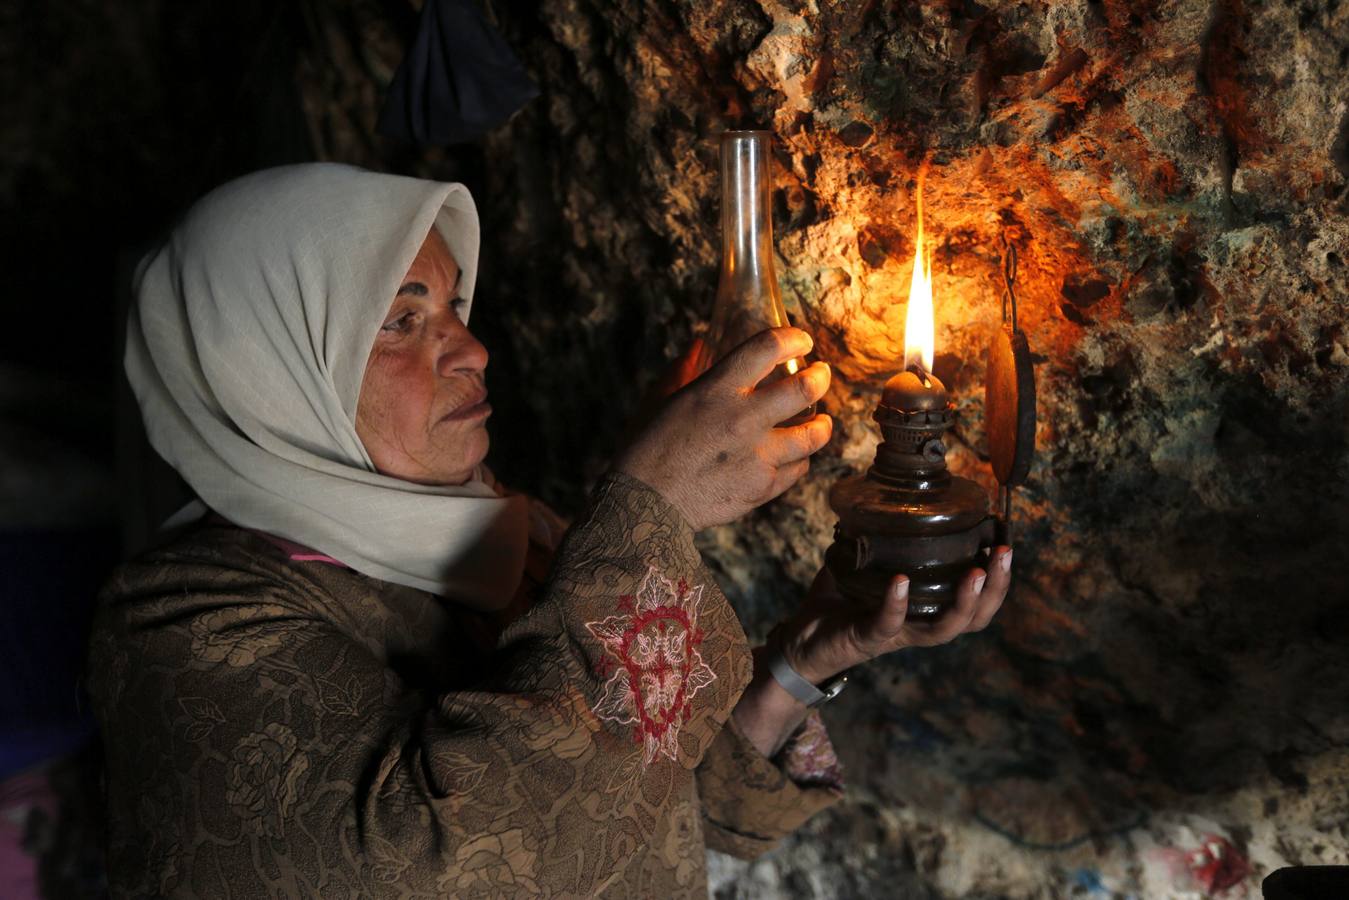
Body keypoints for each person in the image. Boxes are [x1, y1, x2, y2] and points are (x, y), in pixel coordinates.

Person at [88, 163, 1011, 897]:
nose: (472, 349)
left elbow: (659, 804)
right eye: (403, 320)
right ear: (273, 371)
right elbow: (448, 866)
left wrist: (800, 664)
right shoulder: (188, 620)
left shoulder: (509, 535)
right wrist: (651, 508)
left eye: (453, 309)